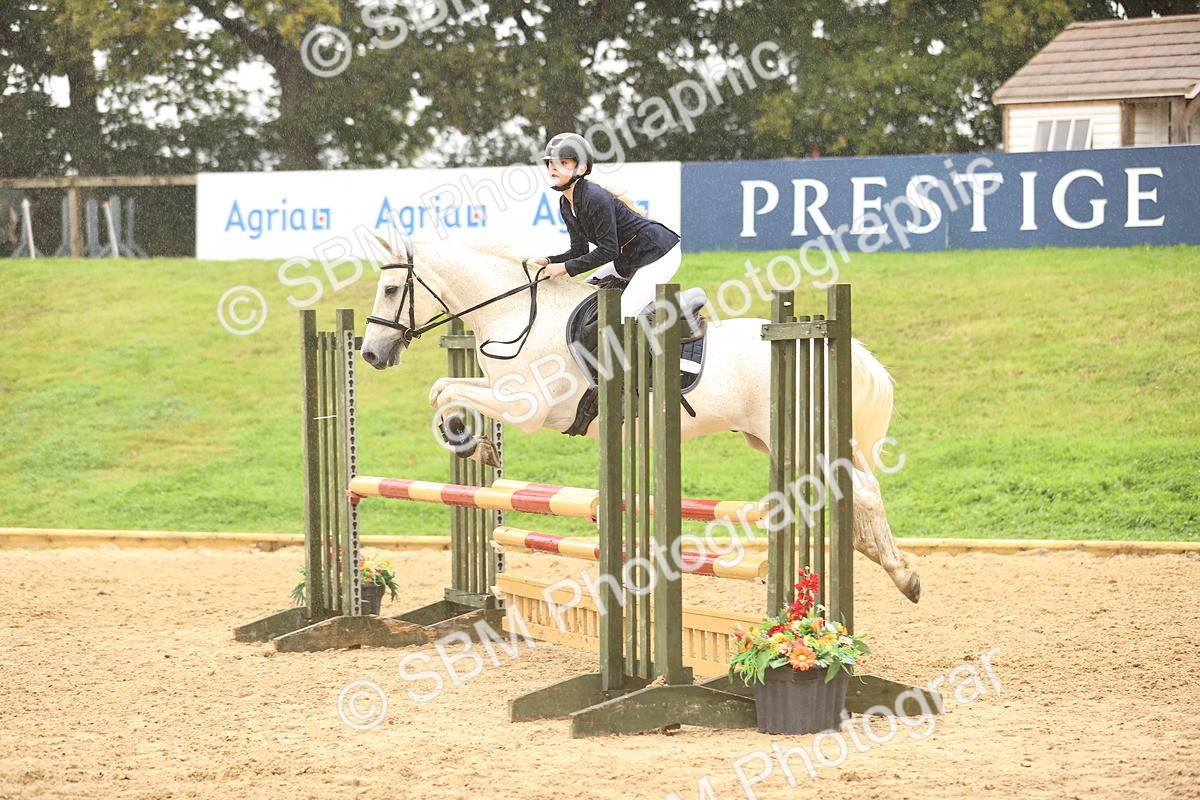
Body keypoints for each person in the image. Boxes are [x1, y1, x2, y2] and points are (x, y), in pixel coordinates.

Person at [528, 132, 682, 319]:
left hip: (658, 254)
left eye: (563, 163)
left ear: (582, 168)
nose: (553, 168)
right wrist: (548, 261)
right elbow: (579, 251)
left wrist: (565, 268)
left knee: (624, 313)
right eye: (550, 163)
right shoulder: (565, 204)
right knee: (581, 301)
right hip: (628, 259)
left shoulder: (594, 197)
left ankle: (676, 314)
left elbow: (609, 251)